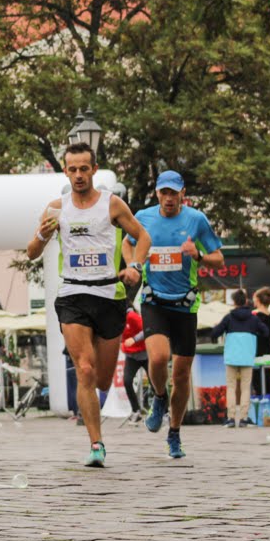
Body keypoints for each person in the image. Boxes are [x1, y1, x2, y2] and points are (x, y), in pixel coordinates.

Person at [27, 141, 151, 467]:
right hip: (73, 294)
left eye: (84, 168)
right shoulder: (57, 208)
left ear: (94, 169)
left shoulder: (112, 204)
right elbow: (31, 252)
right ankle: (96, 445)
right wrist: (41, 235)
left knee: (103, 380)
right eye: (73, 169)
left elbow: (143, 237)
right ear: (65, 171)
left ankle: (95, 416)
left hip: (109, 295)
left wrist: (135, 266)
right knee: (84, 369)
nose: (79, 175)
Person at [126, 170, 224, 459]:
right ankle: (159, 397)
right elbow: (127, 241)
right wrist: (133, 264)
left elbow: (219, 259)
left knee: (181, 375)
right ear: (157, 193)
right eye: (164, 192)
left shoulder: (196, 220)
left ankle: (175, 432)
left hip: (184, 304)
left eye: (174, 193)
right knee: (157, 358)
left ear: (183, 194)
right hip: (154, 300)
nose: (169, 198)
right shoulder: (143, 217)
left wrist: (198, 255)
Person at [210, 289, 270, 428]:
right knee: (245, 388)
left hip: (231, 356)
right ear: (246, 301)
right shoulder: (254, 318)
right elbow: (266, 332)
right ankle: (244, 418)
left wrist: (217, 327)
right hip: (247, 356)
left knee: (231, 387)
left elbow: (215, 333)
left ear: (234, 302)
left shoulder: (228, 318)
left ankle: (231, 418)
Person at [120, 306, 147, 422]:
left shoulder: (132, 316)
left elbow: (147, 329)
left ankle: (164, 411)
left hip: (145, 355)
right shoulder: (116, 319)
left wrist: (134, 339)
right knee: (127, 381)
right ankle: (136, 411)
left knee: (156, 383)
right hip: (131, 357)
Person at [252, 287, 270, 394]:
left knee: (256, 379)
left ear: (257, 300)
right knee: (266, 376)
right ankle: (269, 397)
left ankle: (260, 398)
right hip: (266, 348)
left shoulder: (254, 315)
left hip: (255, 349)